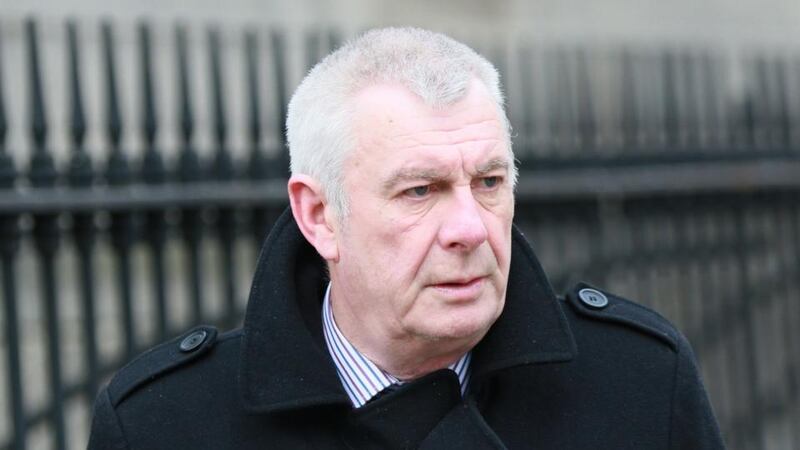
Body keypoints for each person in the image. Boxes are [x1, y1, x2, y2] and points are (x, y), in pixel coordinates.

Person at [88, 27, 725, 449]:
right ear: (318, 216)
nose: (470, 227)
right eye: (419, 191)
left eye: (489, 180)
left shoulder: (641, 380)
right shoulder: (163, 425)